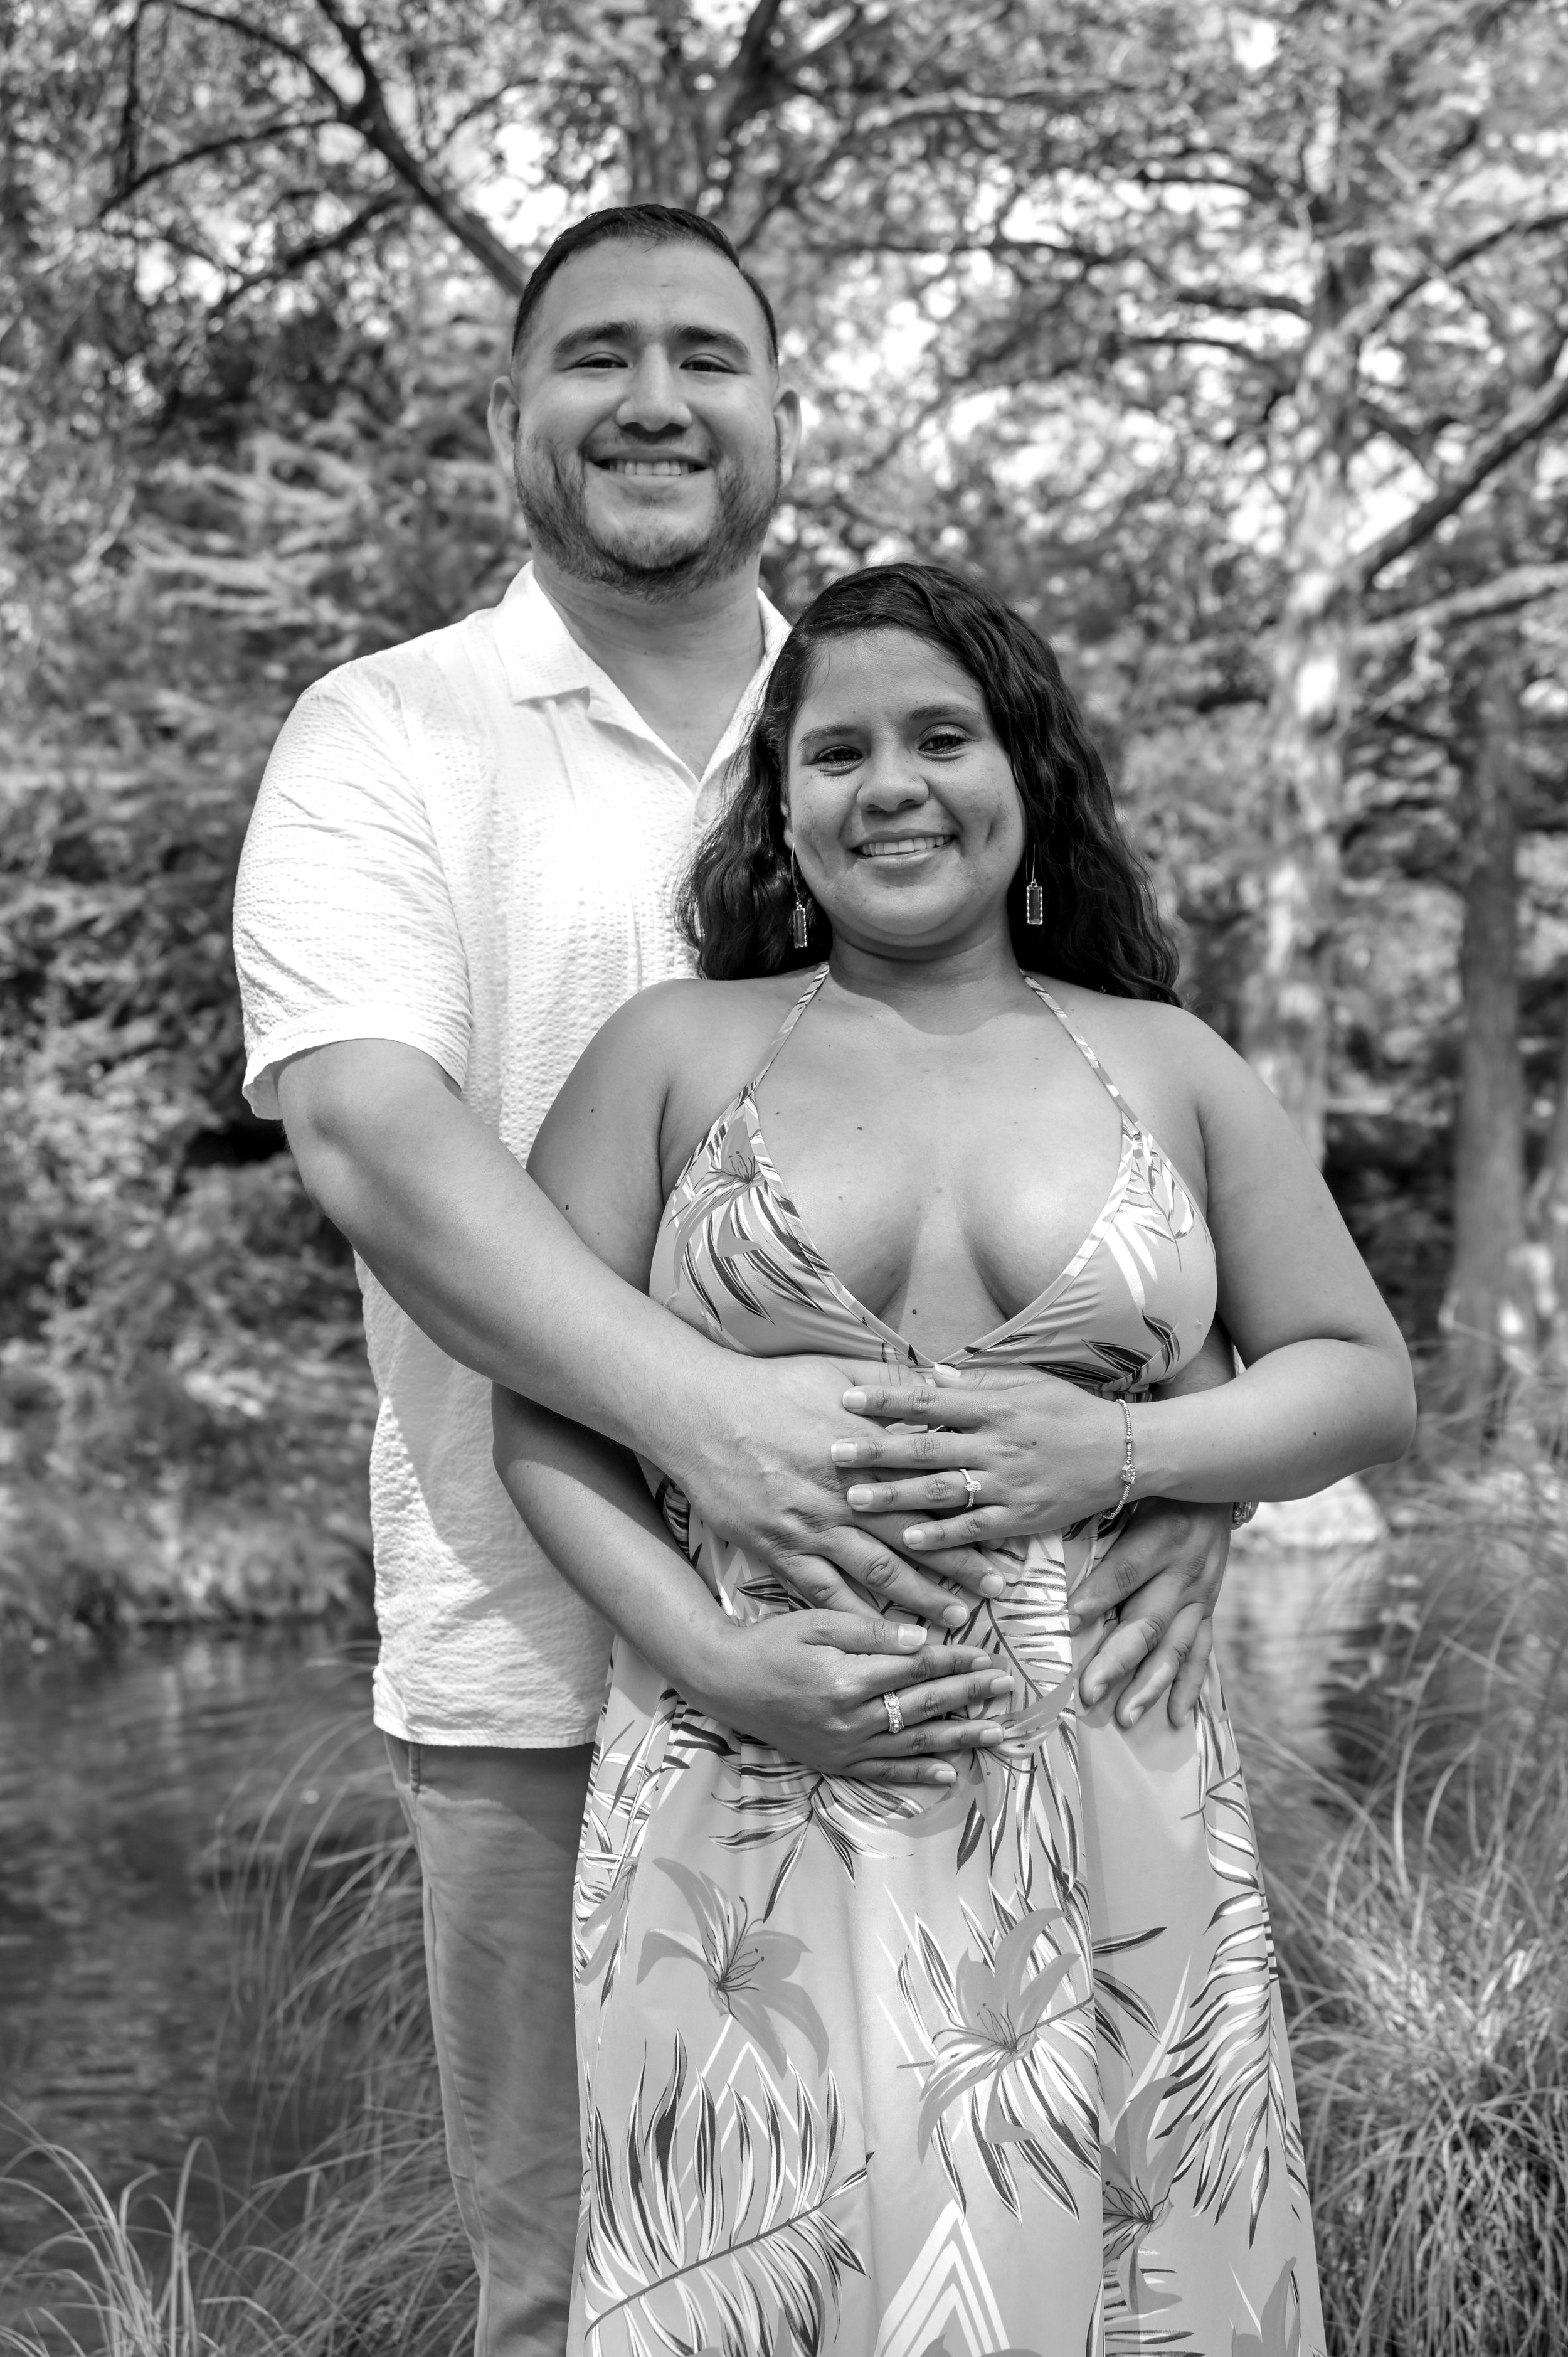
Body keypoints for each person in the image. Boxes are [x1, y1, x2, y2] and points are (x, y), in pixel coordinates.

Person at [233, 206, 1237, 2357]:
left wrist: (1183, 1454)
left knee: (1035, 2268)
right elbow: (367, 1136)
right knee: (603, 2286)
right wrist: (707, 1422)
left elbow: (1111, 1132)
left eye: (707, 355)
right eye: (595, 355)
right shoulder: (388, 729)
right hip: (540, 1644)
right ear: (506, 416)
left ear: (784, 412)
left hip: (1012, 1687)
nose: (653, 400)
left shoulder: (884, 712)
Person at [492, 563, 1416, 2355]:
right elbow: (536, 1410)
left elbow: (1361, 1380)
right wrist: (714, 1658)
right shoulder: (671, 1054)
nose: (891, 786)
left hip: (1111, 1782)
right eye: (836, 752)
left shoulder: (1168, 1064)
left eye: (942, 736)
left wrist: (1133, 1447)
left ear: (1025, 773)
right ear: (780, 807)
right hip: (744, 1788)